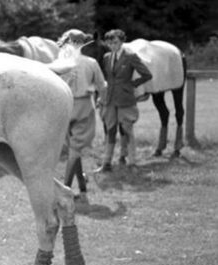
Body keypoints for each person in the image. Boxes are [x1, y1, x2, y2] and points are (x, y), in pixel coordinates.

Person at [55, 30, 106, 204]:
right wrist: (102, 101)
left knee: (72, 148)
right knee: (75, 149)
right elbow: (101, 85)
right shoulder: (91, 63)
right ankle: (66, 190)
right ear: (83, 43)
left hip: (64, 106)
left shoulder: (60, 63)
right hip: (83, 106)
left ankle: (82, 186)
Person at [97, 29, 152, 171]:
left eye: (115, 42)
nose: (112, 45)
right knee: (110, 130)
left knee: (127, 129)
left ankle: (132, 162)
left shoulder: (130, 56)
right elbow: (107, 78)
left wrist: (132, 85)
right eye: (109, 43)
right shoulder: (107, 57)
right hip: (109, 99)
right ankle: (106, 163)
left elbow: (147, 74)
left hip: (125, 99)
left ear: (122, 41)